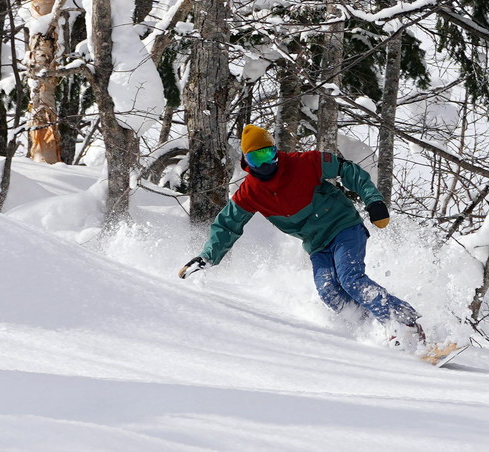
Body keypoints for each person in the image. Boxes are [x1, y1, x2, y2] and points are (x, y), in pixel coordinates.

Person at [179, 124, 424, 347]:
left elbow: (348, 171)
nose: (265, 164)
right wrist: (206, 258)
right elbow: (227, 225)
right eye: (256, 158)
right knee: (328, 289)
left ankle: (406, 324)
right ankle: (373, 328)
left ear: (275, 152)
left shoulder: (305, 162)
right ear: (246, 161)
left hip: (343, 227)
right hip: (316, 244)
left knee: (351, 279)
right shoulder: (250, 192)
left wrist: (373, 201)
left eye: (268, 154)